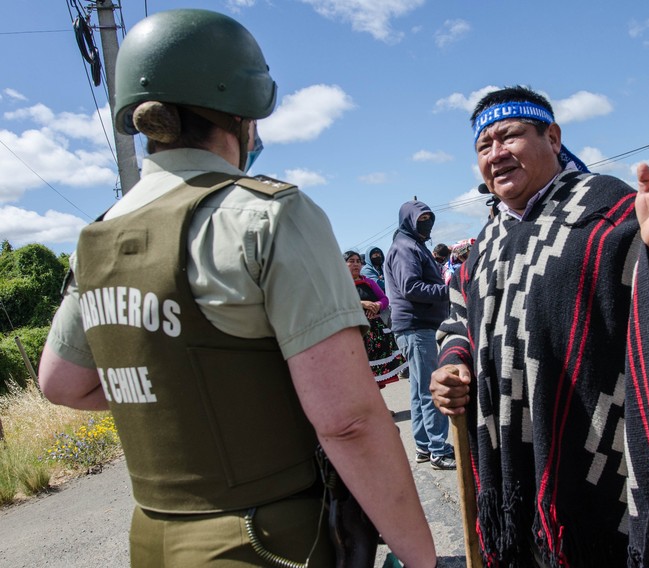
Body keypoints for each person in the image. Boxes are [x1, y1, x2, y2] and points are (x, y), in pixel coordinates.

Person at [36, 9, 435, 568]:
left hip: (151, 538)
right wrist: (422, 557)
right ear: (242, 113)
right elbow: (348, 420)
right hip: (266, 540)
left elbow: (63, 383)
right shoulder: (268, 214)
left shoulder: (97, 237)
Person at [430, 86, 649, 566]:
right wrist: (452, 364)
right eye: (484, 147)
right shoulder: (483, 243)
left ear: (552, 136)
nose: (496, 154)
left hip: (595, 460)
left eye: (509, 136)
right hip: (508, 468)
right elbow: (460, 320)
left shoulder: (608, 205)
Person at [384, 202, 455, 470]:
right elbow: (411, 287)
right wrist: (449, 290)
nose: (426, 223)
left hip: (415, 327)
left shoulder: (412, 244)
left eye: (429, 218)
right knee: (430, 389)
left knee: (418, 390)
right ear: (409, 220)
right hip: (417, 326)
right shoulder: (406, 247)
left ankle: (425, 447)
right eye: (421, 219)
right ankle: (439, 449)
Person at [344, 250, 407, 387]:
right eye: (351, 261)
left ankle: (379, 407)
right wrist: (362, 304)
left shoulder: (369, 282)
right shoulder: (340, 285)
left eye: (358, 261)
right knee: (359, 373)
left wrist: (377, 306)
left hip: (375, 332)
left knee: (376, 376)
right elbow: (338, 303)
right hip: (355, 332)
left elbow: (384, 299)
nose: (356, 264)